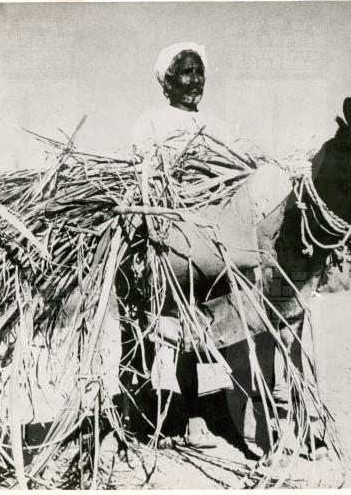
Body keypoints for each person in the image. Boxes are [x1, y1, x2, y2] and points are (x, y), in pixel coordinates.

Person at [132, 42, 233, 449]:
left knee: (205, 326)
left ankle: (202, 416)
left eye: (199, 72)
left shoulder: (218, 127)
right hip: (167, 232)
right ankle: (160, 417)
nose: (195, 79)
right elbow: (145, 175)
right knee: (166, 327)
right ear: (168, 82)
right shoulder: (151, 123)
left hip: (211, 237)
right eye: (186, 72)